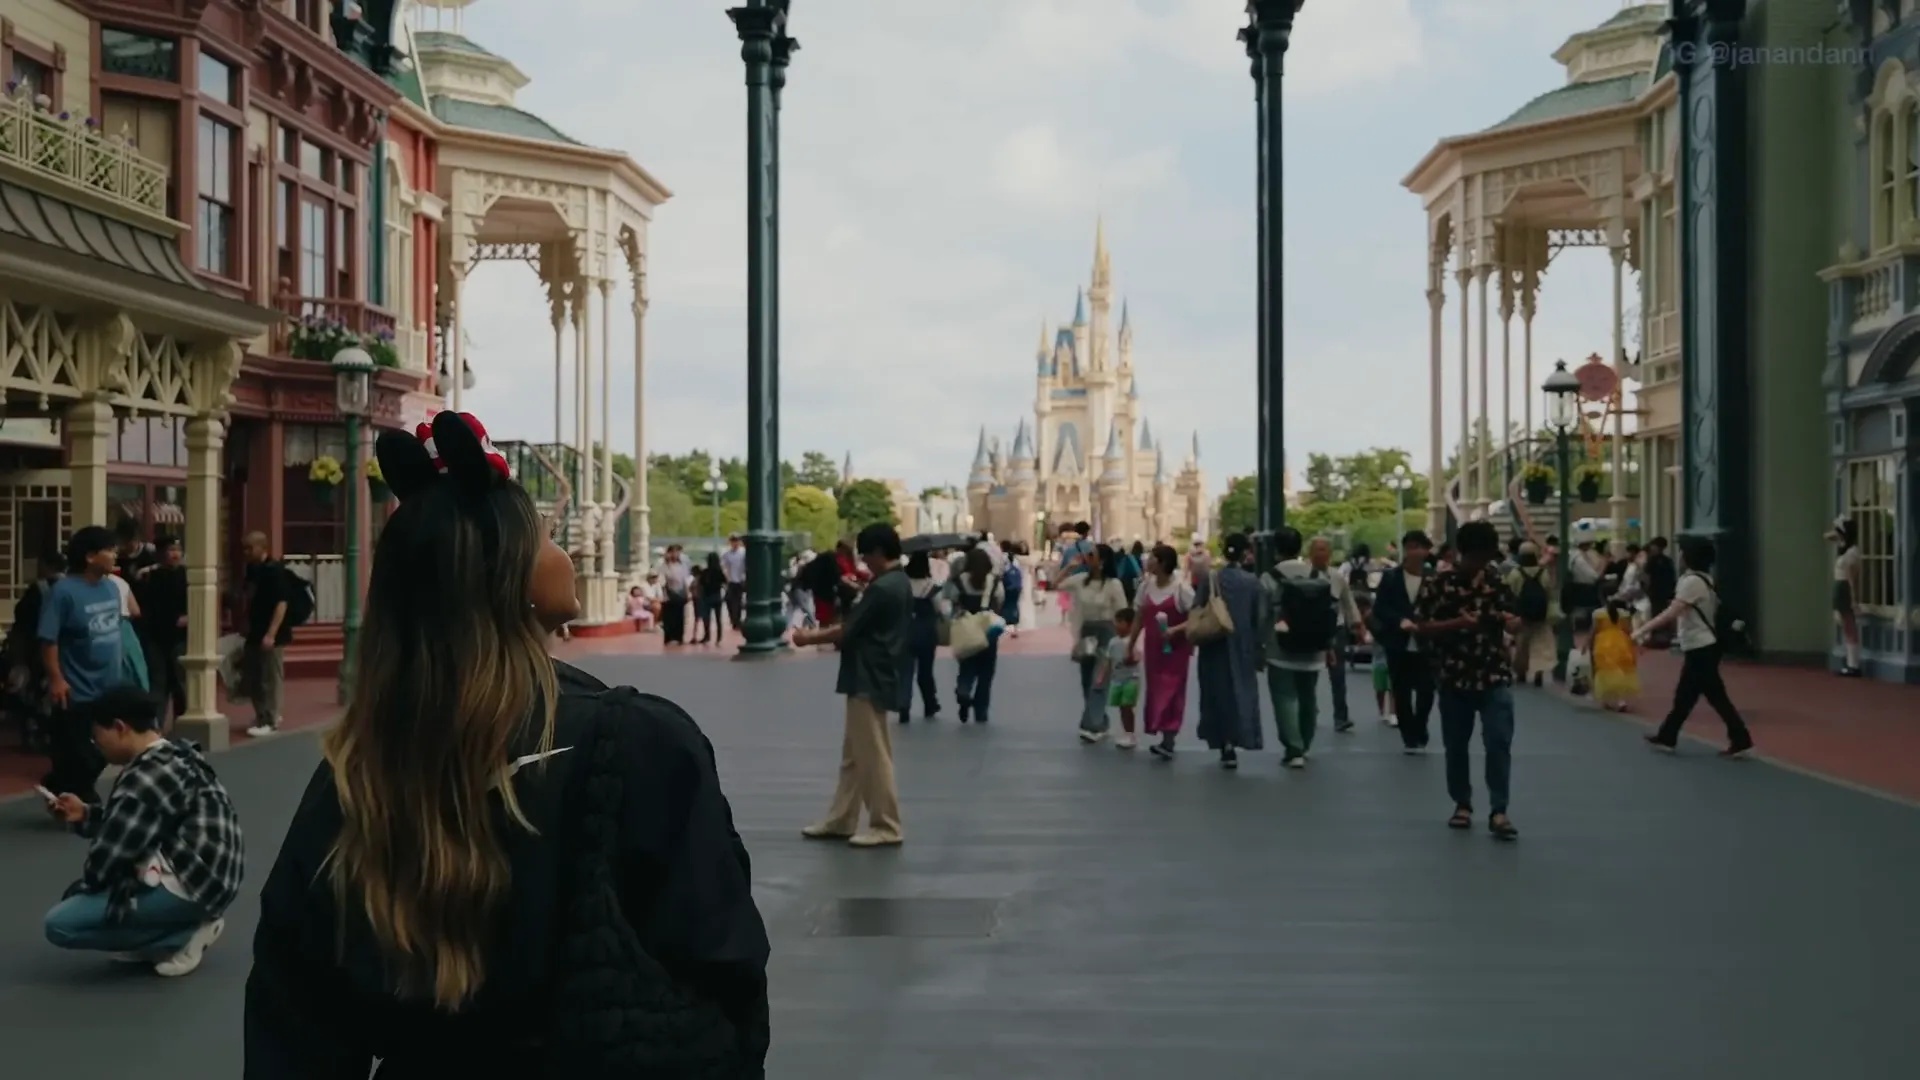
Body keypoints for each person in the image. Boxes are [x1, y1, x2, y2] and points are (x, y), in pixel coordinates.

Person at [245, 411, 770, 1075]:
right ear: (509, 576)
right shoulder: (638, 746)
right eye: (549, 538)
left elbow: (294, 1010)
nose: (567, 554)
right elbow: (724, 962)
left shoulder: (359, 773)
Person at [41, 685, 242, 977]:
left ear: (120, 728)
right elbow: (137, 822)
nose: (96, 745)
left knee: (60, 924)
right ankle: (174, 927)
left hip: (195, 884)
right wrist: (84, 813)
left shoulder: (143, 778)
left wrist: (79, 894)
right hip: (215, 877)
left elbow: (105, 862)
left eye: (97, 736)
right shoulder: (174, 753)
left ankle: (179, 936)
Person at [792, 523, 909, 847]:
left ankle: (886, 824)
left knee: (872, 754)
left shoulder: (883, 588)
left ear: (877, 552)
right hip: (876, 671)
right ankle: (842, 817)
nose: (864, 562)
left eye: (866, 555)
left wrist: (808, 637)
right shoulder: (897, 582)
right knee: (856, 754)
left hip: (867, 674)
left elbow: (847, 630)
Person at [1407, 520, 1522, 841]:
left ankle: (1499, 810)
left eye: (1486, 558)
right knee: (1456, 745)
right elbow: (1420, 626)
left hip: (1494, 672)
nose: (1481, 565)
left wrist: (1512, 624)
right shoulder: (1437, 584)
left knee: (1499, 741)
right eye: (1476, 558)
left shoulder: (1497, 583)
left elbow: (1511, 619)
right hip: (1453, 675)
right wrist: (1457, 623)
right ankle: (1462, 803)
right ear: (1462, 553)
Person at [1633, 534, 1754, 757]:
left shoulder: (1691, 582)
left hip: (1701, 647)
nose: (1679, 556)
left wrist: (1642, 630)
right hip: (1703, 646)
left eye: (1683, 551)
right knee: (1697, 696)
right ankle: (1672, 735)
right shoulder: (1703, 579)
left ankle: (1672, 735)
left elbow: (1672, 612)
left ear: (1689, 557)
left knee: (1701, 696)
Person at [38, 526, 125, 801]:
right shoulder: (63, 592)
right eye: (109, 550)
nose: (115, 555)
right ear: (89, 556)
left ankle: (60, 782)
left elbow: (116, 630)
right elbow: (48, 639)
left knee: (110, 746)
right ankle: (80, 797)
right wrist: (55, 678)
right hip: (77, 687)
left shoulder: (111, 588)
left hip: (110, 684)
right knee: (78, 751)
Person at [1259, 528, 1355, 769]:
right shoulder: (1319, 575)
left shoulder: (1269, 577)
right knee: (1307, 696)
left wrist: (1259, 644)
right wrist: (1329, 644)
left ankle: (1294, 748)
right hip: (1314, 648)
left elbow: (1261, 616)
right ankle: (1306, 741)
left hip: (1280, 648)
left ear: (1277, 550)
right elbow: (1329, 614)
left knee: (1285, 697)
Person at [1187, 532, 1264, 769]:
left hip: (1213, 644)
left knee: (1216, 692)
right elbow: (1258, 618)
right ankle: (1239, 736)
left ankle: (1222, 741)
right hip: (1242, 645)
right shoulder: (1252, 582)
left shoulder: (1211, 578)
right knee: (1240, 691)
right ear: (1245, 553)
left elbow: (1197, 608)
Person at [1367, 530, 1435, 752]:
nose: (1416, 552)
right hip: (1398, 641)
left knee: (1426, 689)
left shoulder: (1434, 578)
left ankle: (1421, 725)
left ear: (1427, 551)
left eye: (1420, 547)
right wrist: (1399, 621)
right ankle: (1408, 734)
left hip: (1426, 641)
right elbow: (1380, 608)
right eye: (1411, 547)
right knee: (1401, 689)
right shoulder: (1391, 577)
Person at [1126, 543, 1193, 760]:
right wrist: (1131, 643)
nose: (1148, 561)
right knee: (1156, 690)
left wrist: (1175, 630)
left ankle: (1169, 738)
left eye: (1152, 558)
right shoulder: (1146, 586)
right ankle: (1162, 733)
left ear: (1163, 563)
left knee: (1173, 692)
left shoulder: (1181, 589)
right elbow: (1138, 617)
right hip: (1154, 649)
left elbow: (1196, 617)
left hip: (1176, 650)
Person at [1056, 543, 1128, 743]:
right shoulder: (1080, 581)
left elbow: (1122, 612)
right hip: (1086, 632)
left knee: (1099, 679)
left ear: (1102, 561)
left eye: (1092, 555)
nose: (1087, 558)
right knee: (1087, 680)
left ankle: (1091, 725)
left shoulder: (1114, 585)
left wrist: (1124, 641)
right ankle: (1101, 720)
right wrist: (1069, 567)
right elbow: (1056, 584)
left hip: (1106, 632)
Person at [239, 533, 291, 737]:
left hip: (271, 633)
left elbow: (282, 603)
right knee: (254, 676)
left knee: (270, 677)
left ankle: (271, 718)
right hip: (254, 631)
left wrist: (271, 634)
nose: (246, 553)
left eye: (250, 548)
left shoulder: (275, 571)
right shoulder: (252, 570)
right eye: (245, 548)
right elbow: (250, 598)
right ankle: (262, 714)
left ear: (262, 547)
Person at [945, 545, 1005, 724]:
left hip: (966, 630)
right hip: (988, 631)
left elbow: (950, 601)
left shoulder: (958, 580)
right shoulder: (994, 581)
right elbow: (1000, 600)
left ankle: (963, 690)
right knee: (986, 672)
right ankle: (981, 711)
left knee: (967, 666)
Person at [135, 537, 188, 721]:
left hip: (180, 637)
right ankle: (156, 724)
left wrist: (189, 617)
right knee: (158, 682)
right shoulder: (149, 576)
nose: (175, 554)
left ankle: (182, 722)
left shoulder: (187, 576)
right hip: (155, 636)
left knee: (181, 683)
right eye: (170, 549)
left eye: (178, 549)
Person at [896, 551, 942, 722]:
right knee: (926, 671)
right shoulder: (931, 586)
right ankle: (930, 703)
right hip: (926, 633)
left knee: (905, 671)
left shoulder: (902, 585)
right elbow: (940, 609)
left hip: (905, 631)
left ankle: (903, 704)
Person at [1505, 541, 1558, 687]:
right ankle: (1538, 673)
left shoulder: (1516, 573)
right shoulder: (1543, 572)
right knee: (1541, 644)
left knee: (1522, 645)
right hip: (1541, 614)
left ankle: (1521, 672)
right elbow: (1549, 591)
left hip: (1522, 614)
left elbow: (1510, 591)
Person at [1100, 608, 1142, 748]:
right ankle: (1126, 732)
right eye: (1116, 622)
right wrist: (1102, 676)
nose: (1117, 625)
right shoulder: (1113, 642)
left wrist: (1131, 659)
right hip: (1117, 679)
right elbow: (1108, 660)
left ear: (1130, 625)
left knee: (1127, 706)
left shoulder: (1133, 641)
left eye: (1120, 622)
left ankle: (1130, 734)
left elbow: (1138, 657)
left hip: (1131, 678)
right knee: (1121, 707)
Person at [1828, 517, 1864, 677]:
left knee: (1849, 627)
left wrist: (1853, 597)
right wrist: (1838, 530)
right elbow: (1827, 536)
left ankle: (1853, 665)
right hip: (1839, 586)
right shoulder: (1845, 547)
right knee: (1846, 627)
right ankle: (1851, 663)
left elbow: (1851, 577)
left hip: (1844, 587)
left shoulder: (1852, 553)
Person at [1590, 597, 1639, 712]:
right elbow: (1628, 629)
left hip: (1603, 643)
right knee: (1621, 669)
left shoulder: (1598, 613)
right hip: (1622, 642)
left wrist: (1588, 644)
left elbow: (1594, 630)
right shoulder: (1624, 614)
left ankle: (1607, 699)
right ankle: (1621, 700)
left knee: (1606, 670)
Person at [1361, 595, 1395, 725]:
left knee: (1392, 686)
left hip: (1391, 654)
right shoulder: (1372, 616)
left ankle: (1392, 713)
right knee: (1380, 688)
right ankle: (1383, 712)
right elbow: (1365, 635)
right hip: (1379, 655)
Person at [659, 544, 691, 644]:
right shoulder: (664, 565)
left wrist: (687, 593)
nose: (675, 554)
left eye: (677, 552)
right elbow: (662, 580)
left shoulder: (683, 565)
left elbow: (685, 580)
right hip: (669, 592)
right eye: (672, 552)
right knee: (668, 617)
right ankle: (668, 637)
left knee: (680, 616)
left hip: (680, 592)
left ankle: (679, 637)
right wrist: (664, 593)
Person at [694, 551, 728, 645]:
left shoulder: (705, 572)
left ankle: (707, 636)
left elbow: (700, 584)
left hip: (707, 597)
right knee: (718, 618)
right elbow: (725, 583)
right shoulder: (720, 572)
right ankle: (718, 637)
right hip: (717, 596)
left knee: (707, 618)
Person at [722, 533, 747, 632]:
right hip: (731, 580)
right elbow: (724, 566)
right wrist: (726, 578)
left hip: (741, 580)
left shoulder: (743, 553)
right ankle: (734, 620)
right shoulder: (727, 554)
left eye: (736, 541)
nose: (735, 543)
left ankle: (737, 621)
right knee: (730, 601)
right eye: (733, 541)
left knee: (738, 601)